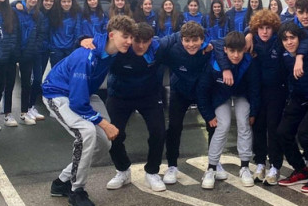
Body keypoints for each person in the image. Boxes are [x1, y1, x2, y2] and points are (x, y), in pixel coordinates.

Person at [43, 15, 135, 206]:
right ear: (112, 35)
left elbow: (153, 42)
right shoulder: (86, 56)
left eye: (131, 37)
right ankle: (77, 191)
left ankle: (62, 182)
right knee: (87, 132)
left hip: (83, 94)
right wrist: (104, 123)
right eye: (125, 36)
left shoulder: (112, 50)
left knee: (104, 143)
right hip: (59, 94)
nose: (129, 41)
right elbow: (77, 103)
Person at [93, 23, 170, 192]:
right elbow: (99, 40)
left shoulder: (158, 47)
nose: (141, 45)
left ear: (152, 40)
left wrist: (205, 45)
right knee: (113, 134)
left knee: (159, 132)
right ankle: (122, 170)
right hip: (119, 96)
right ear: (131, 39)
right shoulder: (121, 48)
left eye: (146, 41)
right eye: (137, 41)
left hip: (149, 96)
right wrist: (82, 39)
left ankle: (152, 172)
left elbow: (178, 37)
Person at [196, 31, 260, 189]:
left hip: (240, 94)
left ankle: (244, 166)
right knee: (222, 125)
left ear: (244, 49)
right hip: (221, 95)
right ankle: (211, 167)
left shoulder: (248, 61)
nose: (236, 55)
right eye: (232, 51)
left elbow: (254, 88)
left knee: (243, 122)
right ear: (225, 50)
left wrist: (254, 112)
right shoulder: (214, 63)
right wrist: (209, 115)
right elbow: (202, 91)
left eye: (239, 51)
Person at [275, 22, 308, 192]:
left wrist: (299, 56)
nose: (289, 42)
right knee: (283, 132)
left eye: (292, 37)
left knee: (305, 133)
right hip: (299, 96)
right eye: (285, 39)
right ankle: (300, 170)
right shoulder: (284, 55)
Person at [163, 22, 215, 186]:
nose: (191, 45)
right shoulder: (173, 51)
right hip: (180, 91)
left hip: (203, 92)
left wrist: (209, 46)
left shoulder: (210, 49)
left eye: (195, 40)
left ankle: (214, 163)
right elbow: (155, 46)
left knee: (212, 124)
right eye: (187, 40)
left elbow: (223, 43)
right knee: (174, 127)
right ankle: (172, 166)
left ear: (202, 40)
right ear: (181, 39)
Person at [246, 10, 286, 184]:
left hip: (277, 91)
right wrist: (247, 34)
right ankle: (260, 162)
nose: (264, 32)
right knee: (258, 126)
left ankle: (275, 165)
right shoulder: (251, 42)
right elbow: (227, 41)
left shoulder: (280, 42)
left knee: (273, 127)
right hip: (257, 90)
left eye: (268, 28)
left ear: (274, 28)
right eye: (261, 28)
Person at [13, 0, 45, 125]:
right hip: (15, 52)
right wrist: (16, 3)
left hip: (29, 53)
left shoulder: (38, 15)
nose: (33, 0)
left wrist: (34, 48)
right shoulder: (17, 10)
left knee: (27, 84)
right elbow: (7, 7)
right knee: (7, 86)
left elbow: (41, 34)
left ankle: (24, 113)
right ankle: (3, 114)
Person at [48, 0, 82, 66]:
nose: (66, 4)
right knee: (56, 74)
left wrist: (75, 48)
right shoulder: (53, 14)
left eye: (69, 1)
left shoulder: (77, 14)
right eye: (64, 2)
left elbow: (77, 31)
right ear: (59, 3)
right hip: (56, 50)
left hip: (70, 50)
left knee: (69, 73)